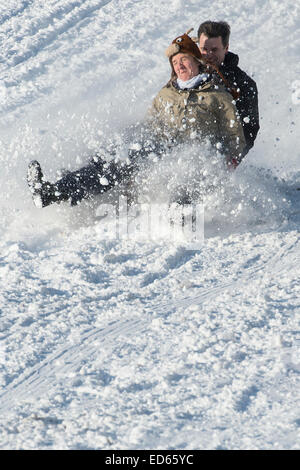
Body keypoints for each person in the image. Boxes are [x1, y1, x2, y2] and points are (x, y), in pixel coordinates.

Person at [27, 31, 246, 209]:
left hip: (197, 159)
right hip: (162, 151)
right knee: (113, 162)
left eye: (184, 60)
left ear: (197, 62)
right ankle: (52, 192)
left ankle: (181, 220)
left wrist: (228, 161)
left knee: (185, 179)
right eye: (175, 62)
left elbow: (235, 136)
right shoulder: (166, 94)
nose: (179, 66)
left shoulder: (217, 96)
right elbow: (150, 126)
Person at [197, 20, 259, 154]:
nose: (208, 55)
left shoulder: (244, 84)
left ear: (226, 48)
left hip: (216, 155)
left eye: (214, 50)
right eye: (204, 49)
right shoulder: (187, 71)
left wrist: (232, 157)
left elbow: (249, 129)